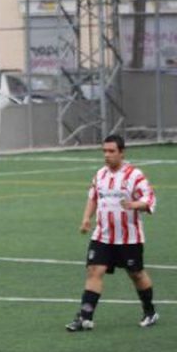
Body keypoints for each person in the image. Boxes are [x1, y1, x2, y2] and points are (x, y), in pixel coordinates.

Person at [66, 134, 158, 331]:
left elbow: (150, 199)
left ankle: (150, 312)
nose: (107, 155)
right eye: (104, 151)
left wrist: (135, 204)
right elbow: (93, 198)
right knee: (94, 271)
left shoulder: (135, 175)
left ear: (122, 153)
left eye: (111, 151)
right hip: (103, 236)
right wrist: (85, 219)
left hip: (129, 238)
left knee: (136, 274)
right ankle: (85, 317)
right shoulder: (100, 175)